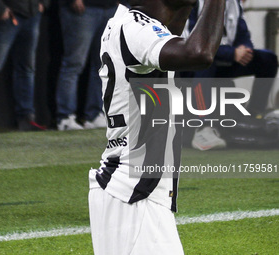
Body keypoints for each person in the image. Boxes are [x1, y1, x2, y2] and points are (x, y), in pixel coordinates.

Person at [88, 0, 225, 254]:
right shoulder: (136, 28)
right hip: (136, 196)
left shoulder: (131, 24)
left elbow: (177, 28)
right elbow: (199, 53)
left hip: (125, 191)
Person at [187, 0, 278, 150]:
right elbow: (193, 44)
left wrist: (245, 50)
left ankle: (255, 113)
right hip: (192, 63)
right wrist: (231, 53)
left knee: (268, 60)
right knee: (205, 63)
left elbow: (242, 32)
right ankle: (202, 128)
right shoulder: (193, 3)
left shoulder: (233, 2)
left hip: (223, 58)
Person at [0, 0, 50, 134]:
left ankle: (26, 118)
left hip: (31, 15)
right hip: (5, 15)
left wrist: (43, 3)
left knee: (26, 69)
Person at [56, 0, 119, 131]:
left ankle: (95, 114)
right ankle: (65, 117)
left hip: (110, 8)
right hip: (83, 9)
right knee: (73, 64)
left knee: (102, 64)